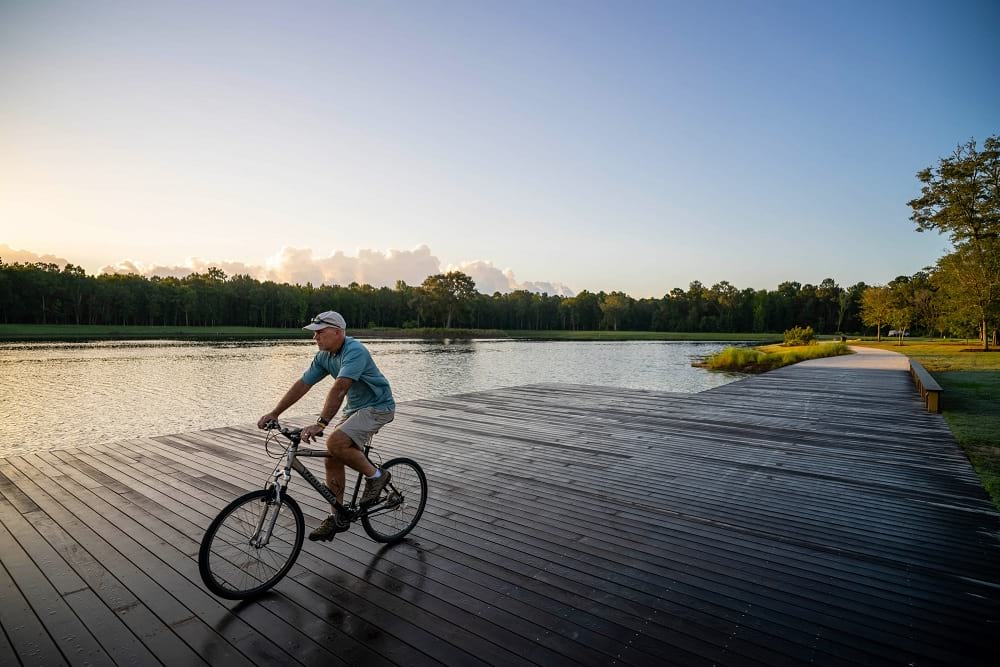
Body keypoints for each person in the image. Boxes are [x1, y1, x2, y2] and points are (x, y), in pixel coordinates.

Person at [257, 310, 396, 541]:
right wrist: (275, 413)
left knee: (335, 442)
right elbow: (302, 384)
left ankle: (377, 476)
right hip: (355, 409)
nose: (315, 338)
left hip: (379, 406)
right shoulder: (324, 357)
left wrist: (321, 423)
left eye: (320, 333)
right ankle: (337, 517)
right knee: (332, 456)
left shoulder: (355, 351)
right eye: (314, 334)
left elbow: (339, 388)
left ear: (338, 332)